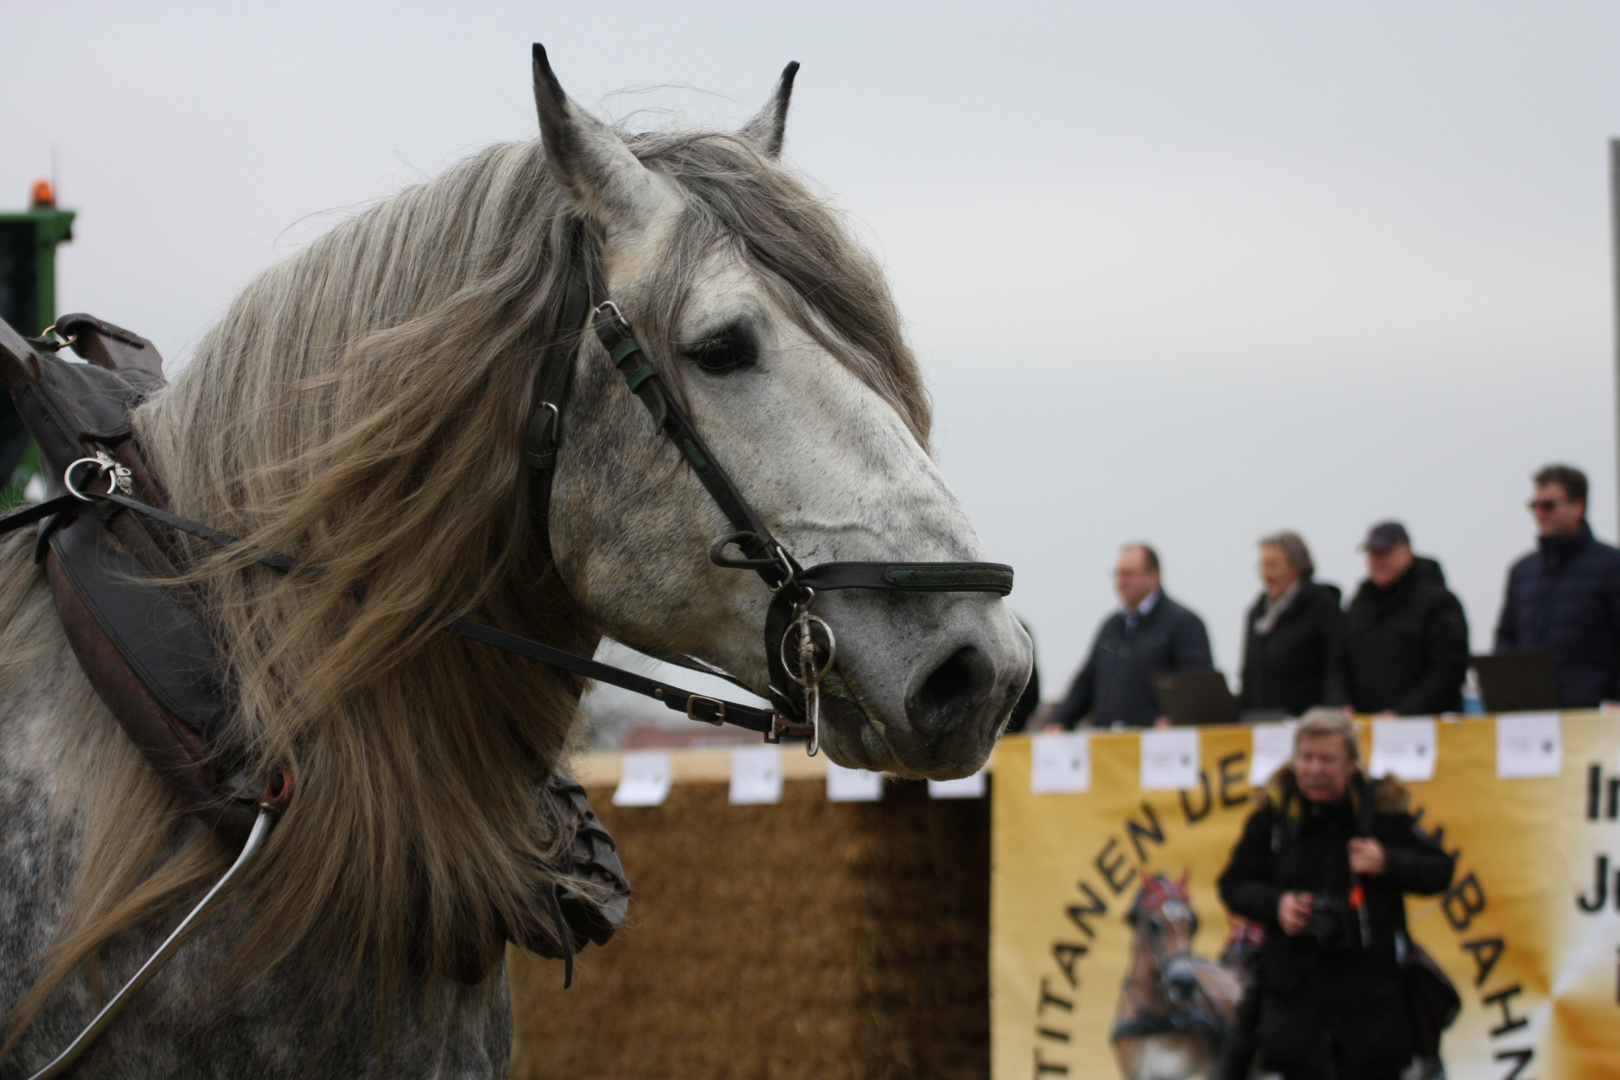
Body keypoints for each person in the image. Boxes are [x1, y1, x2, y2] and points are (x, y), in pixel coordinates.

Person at [1217, 709, 1456, 1080]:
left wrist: (1387, 861)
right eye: (1306, 758)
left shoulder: (1381, 812)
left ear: (1351, 765)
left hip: (1371, 1014)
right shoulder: (1274, 816)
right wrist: (1276, 906)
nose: (1314, 769)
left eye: (1328, 759)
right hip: (1294, 1010)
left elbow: (1440, 870)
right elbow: (1233, 885)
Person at [1494, 464, 1620, 707]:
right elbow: (1506, 638)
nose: (1539, 513)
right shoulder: (1522, 571)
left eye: (1549, 505)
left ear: (1578, 507)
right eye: (1534, 505)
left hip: (1592, 717)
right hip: (1532, 714)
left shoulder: (1611, 566)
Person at [1049, 543, 1212, 729]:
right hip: (1109, 744)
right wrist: (1060, 721)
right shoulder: (1111, 626)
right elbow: (1086, 683)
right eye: (1118, 574)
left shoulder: (1183, 623)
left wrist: (1175, 719)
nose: (1121, 581)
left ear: (1154, 576)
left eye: (1129, 574)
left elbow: (1197, 683)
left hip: (1160, 748)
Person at [1338, 522, 1469, 716]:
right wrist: (1342, 703)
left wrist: (1402, 713)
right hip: (1366, 725)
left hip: (1426, 727)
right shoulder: (1360, 604)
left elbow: (1448, 670)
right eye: (1372, 554)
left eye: (1384, 553)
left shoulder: (1438, 602)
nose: (1377, 561)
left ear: (1407, 553)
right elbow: (1340, 660)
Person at [1239, 531, 1345, 719]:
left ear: (1297, 567)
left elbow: (1336, 665)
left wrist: (1334, 709)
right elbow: (1248, 674)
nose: (1266, 575)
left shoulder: (1321, 606)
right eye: (1262, 566)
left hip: (1309, 722)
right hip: (1263, 722)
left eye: (1273, 566)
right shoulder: (1257, 612)